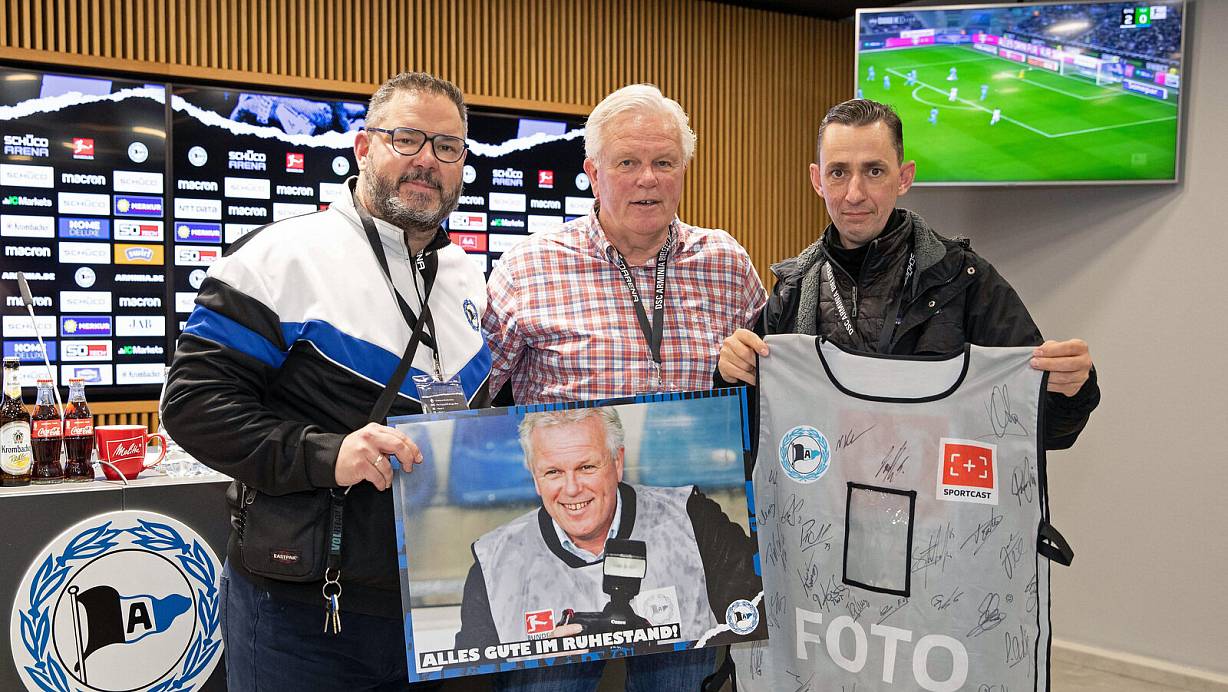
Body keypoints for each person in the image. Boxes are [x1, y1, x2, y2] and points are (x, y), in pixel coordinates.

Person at [162, 72, 491, 691]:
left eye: (447, 147)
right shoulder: (280, 256)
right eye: (407, 138)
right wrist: (329, 453)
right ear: (364, 148)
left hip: (439, 610)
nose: (428, 160)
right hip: (303, 616)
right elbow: (192, 406)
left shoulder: (466, 275)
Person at [483, 83, 766, 689]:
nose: (648, 179)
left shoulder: (725, 263)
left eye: (664, 163)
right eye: (628, 163)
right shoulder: (527, 269)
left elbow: (767, 381)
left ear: (683, 170)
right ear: (592, 172)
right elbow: (476, 399)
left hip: (684, 543)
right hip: (564, 544)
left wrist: (749, 363)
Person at [717, 97, 1098, 461]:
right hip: (826, 518)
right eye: (838, 172)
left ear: (903, 177)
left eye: (874, 171)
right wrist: (732, 376)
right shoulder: (793, 290)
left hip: (939, 522)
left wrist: (1070, 387)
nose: (854, 193)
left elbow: (1047, 430)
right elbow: (752, 430)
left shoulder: (964, 279)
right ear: (817, 180)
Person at [454, 408, 761, 649]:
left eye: (586, 467)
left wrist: (657, 644)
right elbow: (468, 677)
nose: (572, 489)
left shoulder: (690, 516)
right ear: (535, 478)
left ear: (617, 462)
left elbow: (759, 615)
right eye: (553, 472)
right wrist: (540, 662)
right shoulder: (493, 560)